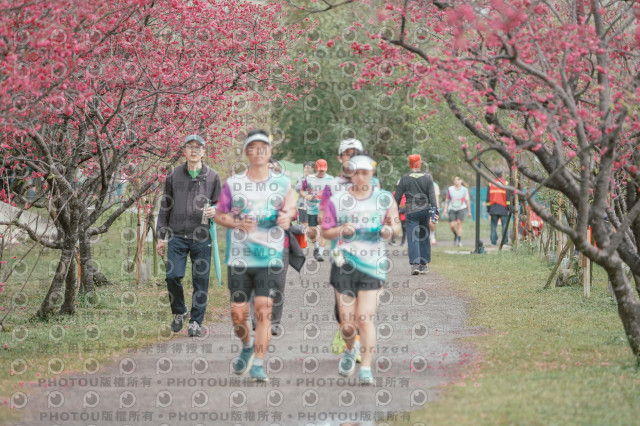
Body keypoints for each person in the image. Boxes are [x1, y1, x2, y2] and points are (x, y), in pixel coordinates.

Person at [214, 129, 296, 382]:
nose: (258, 152)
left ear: (270, 152)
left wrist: (286, 216)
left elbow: (290, 206)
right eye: (253, 148)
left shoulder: (282, 183)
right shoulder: (233, 184)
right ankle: (247, 345)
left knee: (263, 308)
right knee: (238, 314)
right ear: (246, 152)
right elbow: (219, 215)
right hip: (240, 257)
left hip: (270, 257)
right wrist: (237, 223)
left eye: (263, 148)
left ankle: (258, 364)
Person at [321, 154, 401, 385]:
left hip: (373, 265)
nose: (360, 177)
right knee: (348, 325)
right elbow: (326, 231)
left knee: (364, 319)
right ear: (350, 174)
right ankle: (350, 349)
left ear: (372, 173)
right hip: (344, 264)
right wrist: (341, 230)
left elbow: (395, 224)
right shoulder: (338, 200)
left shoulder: (384, 198)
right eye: (356, 172)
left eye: (365, 172)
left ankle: (366, 368)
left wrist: (389, 230)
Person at [156, 134, 222, 337]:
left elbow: (220, 203)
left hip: (202, 237)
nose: (194, 150)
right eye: (189, 147)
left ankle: (195, 321)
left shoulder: (213, 176)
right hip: (177, 236)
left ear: (203, 151)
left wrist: (216, 210)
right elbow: (165, 206)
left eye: (198, 147)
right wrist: (160, 236)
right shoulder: (173, 175)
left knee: (200, 281)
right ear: (184, 151)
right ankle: (180, 310)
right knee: (172, 276)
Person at [394, 154, 438, 275]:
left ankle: (415, 264)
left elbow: (397, 197)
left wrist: (393, 211)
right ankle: (424, 265)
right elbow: (432, 196)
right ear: (420, 164)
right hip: (425, 210)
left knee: (413, 237)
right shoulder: (428, 177)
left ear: (410, 164)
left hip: (411, 210)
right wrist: (435, 212)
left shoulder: (405, 178)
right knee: (424, 236)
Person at [301, 159, 333, 261]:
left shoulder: (331, 179)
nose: (322, 172)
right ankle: (316, 246)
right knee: (312, 232)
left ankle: (320, 253)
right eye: (320, 170)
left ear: (326, 168)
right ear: (316, 168)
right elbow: (302, 190)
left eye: (323, 170)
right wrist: (306, 196)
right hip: (312, 209)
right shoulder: (309, 178)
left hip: (326, 209)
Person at [444, 176, 472, 247]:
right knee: (452, 225)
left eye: (458, 180)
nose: (456, 181)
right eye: (455, 180)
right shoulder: (450, 189)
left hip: (461, 208)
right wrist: (445, 209)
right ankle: (455, 234)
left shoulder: (464, 190)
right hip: (452, 208)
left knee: (459, 223)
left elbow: (467, 201)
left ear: (461, 181)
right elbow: (447, 200)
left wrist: (469, 211)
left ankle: (459, 241)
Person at [487, 168, 511, 246]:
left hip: (493, 208)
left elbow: (488, 198)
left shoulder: (491, 184)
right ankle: (505, 242)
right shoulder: (506, 183)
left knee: (493, 225)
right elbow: (508, 197)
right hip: (503, 208)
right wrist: (509, 207)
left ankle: (493, 242)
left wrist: (488, 209)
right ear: (502, 175)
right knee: (504, 225)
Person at [295, 161, 314, 230]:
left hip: (313, 206)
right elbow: (298, 189)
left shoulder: (315, 179)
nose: (307, 169)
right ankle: (304, 237)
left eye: (308, 168)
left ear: (312, 169)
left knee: (313, 226)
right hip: (302, 206)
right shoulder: (301, 178)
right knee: (304, 225)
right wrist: (307, 196)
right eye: (305, 168)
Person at [430, 181, 440, 245]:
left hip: (432, 206)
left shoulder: (435, 185)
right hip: (423, 206)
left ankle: (432, 236)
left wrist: (437, 207)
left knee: (431, 222)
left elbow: (436, 197)